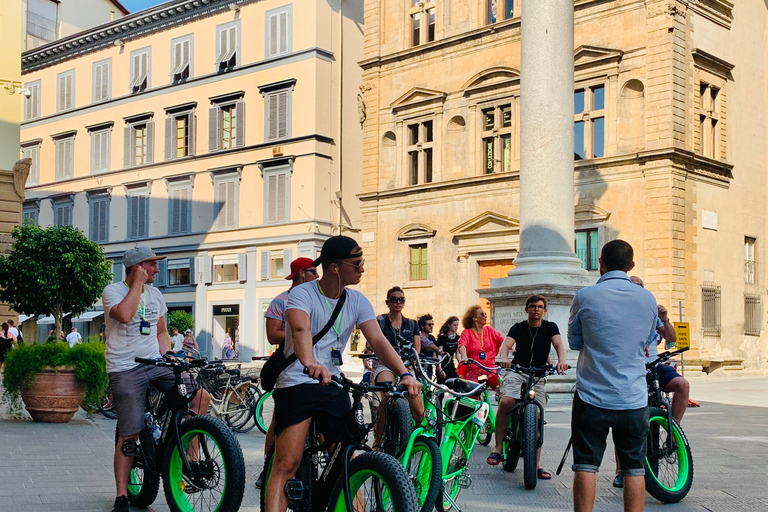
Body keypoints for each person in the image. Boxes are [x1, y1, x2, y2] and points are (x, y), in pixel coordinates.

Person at [264, 236, 423, 512]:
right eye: (357, 263)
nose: (362, 268)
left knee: (345, 462)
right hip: (297, 381)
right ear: (335, 267)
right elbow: (300, 330)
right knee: (286, 463)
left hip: (332, 382)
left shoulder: (357, 300)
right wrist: (309, 362)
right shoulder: (302, 294)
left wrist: (405, 373)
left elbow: (379, 341)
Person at [102, 246, 210, 512]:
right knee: (130, 433)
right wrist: (136, 284)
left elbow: (161, 332)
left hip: (155, 363)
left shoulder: (156, 294)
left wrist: (169, 355)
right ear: (137, 268)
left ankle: (187, 458)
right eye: (151, 265)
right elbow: (125, 315)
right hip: (125, 368)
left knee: (199, 397)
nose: (157, 270)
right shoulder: (113, 291)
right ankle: (121, 496)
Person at [568, 240, 658, 512]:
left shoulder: (585, 296)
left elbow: (574, 342)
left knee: (586, 465)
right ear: (631, 266)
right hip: (632, 398)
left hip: (591, 395)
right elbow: (649, 338)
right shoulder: (648, 298)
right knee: (634, 467)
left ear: (600, 264)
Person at [613, 276, 688, 489]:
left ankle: (673, 431)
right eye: (634, 286)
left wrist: (664, 319)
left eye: (641, 286)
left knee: (682, 385)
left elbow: (671, 338)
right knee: (625, 420)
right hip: (633, 368)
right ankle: (620, 471)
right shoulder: (624, 312)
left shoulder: (650, 311)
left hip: (655, 365)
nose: (638, 289)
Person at [487, 295, 567, 480]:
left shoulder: (550, 327)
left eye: (540, 307)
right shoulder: (519, 327)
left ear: (544, 310)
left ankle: (536, 464)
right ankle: (498, 448)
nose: (536, 309)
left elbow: (558, 344)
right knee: (506, 401)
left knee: (537, 416)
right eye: (532, 306)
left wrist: (562, 361)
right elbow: (506, 345)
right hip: (518, 370)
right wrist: (505, 358)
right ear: (527, 309)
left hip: (539, 374)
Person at [255, 256, 318, 489]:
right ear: (301, 273)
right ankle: (267, 466)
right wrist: (299, 333)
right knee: (278, 419)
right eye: (313, 271)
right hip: (289, 364)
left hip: (317, 364)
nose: (317, 276)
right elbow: (272, 335)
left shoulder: (318, 299)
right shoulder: (281, 301)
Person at [369, 286, 419, 448]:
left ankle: (414, 440)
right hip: (386, 365)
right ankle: (378, 440)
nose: (398, 302)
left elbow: (416, 350)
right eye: (394, 299)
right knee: (388, 394)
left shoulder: (412, 324)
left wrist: (410, 368)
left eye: (401, 299)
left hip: (408, 367)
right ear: (387, 302)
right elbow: (375, 344)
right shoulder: (380, 323)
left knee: (419, 412)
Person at [457, 305, 505, 389]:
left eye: (485, 314)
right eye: (482, 314)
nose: (485, 316)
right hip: (473, 371)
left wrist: (512, 349)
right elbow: (462, 345)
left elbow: (501, 340)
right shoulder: (467, 332)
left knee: (503, 389)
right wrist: (464, 357)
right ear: (475, 318)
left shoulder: (489, 330)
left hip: (489, 370)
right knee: (473, 398)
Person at [435, 316, 461, 382]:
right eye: (454, 325)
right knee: (442, 386)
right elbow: (439, 354)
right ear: (449, 325)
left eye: (457, 325)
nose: (456, 327)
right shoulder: (443, 338)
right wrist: (440, 368)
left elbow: (457, 354)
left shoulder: (458, 338)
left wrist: (461, 365)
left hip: (451, 364)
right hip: (443, 364)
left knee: (457, 383)